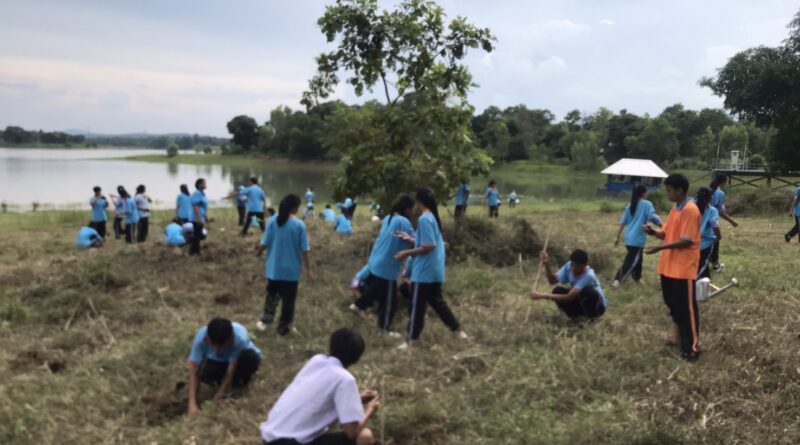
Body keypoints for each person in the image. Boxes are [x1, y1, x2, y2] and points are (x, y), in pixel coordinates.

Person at [259, 328, 381, 445]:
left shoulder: (316, 361)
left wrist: (356, 399)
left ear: (331, 347)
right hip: (290, 443)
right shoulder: (345, 380)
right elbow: (352, 432)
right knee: (365, 437)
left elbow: (319, 402)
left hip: (270, 437)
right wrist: (370, 409)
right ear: (356, 359)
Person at [395, 188, 467, 349]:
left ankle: (411, 340)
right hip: (435, 270)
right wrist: (410, 238)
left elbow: (428, 245)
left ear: (419, 201)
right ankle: (458, 331)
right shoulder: (433, 218)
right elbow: (429, 241)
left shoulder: (424, 219)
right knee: (438, 303)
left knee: (417, 306)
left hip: (424, 271)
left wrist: (406, 253)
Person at [643, 173, 702, 361]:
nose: (667, 194)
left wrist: (659, 248)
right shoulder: (675, 209)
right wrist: (652, 231)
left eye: (669, 190)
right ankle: (678, 339)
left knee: (686, 309)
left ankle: (691, 348)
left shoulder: (690, 210)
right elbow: (666, 233)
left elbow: (686, 241)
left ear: (680, 191)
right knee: (673, 305)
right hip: (669, 267)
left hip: (683, 269)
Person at [351, 196, 415, 335]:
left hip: (377, 265)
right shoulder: (403, 221)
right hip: (387, 268)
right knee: (390, 302)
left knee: (383, 295)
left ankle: (360, 305)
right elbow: (416, 241)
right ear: (407, 209)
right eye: (412, 209)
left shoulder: (388, 218)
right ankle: (381, 327)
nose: (413, 212)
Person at [256, 194, 314, 335]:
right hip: (291, 271)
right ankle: (285, 326)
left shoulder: (272, 221)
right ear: (295, 208)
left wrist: (258, 252)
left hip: (274, 269)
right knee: (289, 300)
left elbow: (265, 243)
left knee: (272, 296)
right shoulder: (299, 225)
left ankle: (265, 322)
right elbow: (304, 249)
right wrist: (308, 269)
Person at [186, 318, 262, 416]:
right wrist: (192, 404)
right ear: (207, 338)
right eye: (215, 345)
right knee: (209, 372)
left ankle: (240, 383)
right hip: (219, 362)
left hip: (240, 361)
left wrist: (217, 399)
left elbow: (230, 371)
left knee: (250, 358)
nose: (218, 350)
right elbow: (194, 372)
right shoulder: (201, 338)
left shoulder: (240, 338)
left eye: (222, 345)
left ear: (231, 338)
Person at [530, 249, 607, 319]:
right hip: (581, 301)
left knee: (587, 291)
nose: (573, 268)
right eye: (572, 264)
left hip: (597, 306)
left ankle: (590, 318)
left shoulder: (589, 275)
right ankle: (576, 317)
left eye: (577, 266)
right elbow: (552, 280)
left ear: (585, 265)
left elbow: (568, 297)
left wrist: (542, 295)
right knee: (557, 291)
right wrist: (547, 264)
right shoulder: (568, 266)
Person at [612, 185, 662, 287]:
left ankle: (637, 278)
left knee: (638, 259)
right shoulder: (647, 204)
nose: (646, 195)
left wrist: (617, 237)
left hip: (628, 238)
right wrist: (663, 225)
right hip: (637, 239)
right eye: (646, 193)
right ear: (643, 194)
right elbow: (653, 217)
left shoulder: (630, 206)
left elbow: (622, 223)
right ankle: (618, 280)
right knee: (631, 261)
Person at [709, 174, 738, 271]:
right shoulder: (720, 193)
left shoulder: (707, 190)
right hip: (711, 222)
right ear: (724, 182)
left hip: (700, 221)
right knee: (715, 240)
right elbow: (719, 212)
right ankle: (715, 263)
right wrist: (732, 221)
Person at [695, 187, 721, 279]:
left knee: (698, 265)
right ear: (710, 198)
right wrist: (718, 236)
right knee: (702, 268)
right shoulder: (712, 210)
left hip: (691, 242)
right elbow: (715, 225)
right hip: (705, 244)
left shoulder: (692, 208)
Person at [189, 178, 209, 255]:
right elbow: (195, 206)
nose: (205, 184)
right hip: (196, 218)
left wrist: (205, 216)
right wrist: (199, 219)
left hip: (201, 217)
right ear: (199, 185)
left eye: (205, 183)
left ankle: (195, 251)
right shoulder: (197, 193)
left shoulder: (202, 194)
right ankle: (194, 251)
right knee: (198, 235)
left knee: (197, 235)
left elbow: (203, 207)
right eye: (203, 183)